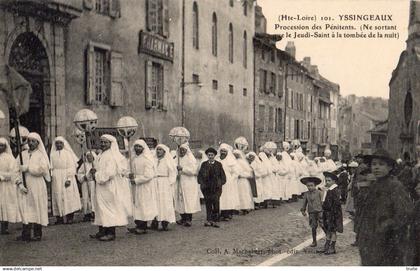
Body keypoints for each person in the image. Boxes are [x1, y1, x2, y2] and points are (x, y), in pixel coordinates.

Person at [357, 149, 414, 266]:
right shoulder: (374, 185)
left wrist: (386, 225)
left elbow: (405, 214)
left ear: (390, 167)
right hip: (371, 243)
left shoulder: (395, 187)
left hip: (388, 243)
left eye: (381, 164)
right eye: (374, 164)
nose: (376, 167)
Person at [89, 135, 128, 241]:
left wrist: (97, 175)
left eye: (105, 142)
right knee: (100, 207)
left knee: (109, 208)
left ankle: (111, 233)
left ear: (111, 144)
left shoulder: (112, 156)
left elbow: (109, 173)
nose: (102, 144)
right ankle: (102, 230)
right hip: (101, 186)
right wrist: (93, 172)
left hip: (109, 185)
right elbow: (97, 169)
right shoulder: (101, 155)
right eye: (101, 142)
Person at [17, 132, 50, 242]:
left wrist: (28, 168)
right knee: (25, 208)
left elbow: (42, 170)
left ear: (37, 143)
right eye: (29, 141)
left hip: (36, 185)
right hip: (25, 186)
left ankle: (37, 233)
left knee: (37, 207)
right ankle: (25, 233)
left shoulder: (41, 155)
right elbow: (15, 170)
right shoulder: (22, 155)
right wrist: (19, 184)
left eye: (33, 141)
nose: (30, 143)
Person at [127, 139, 158, 234]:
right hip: (135, 186)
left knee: (143, 205)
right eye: (136, 146)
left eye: (140, 146)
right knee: (136, 205)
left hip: (144, 186)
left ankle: (143, 226)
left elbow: (148, 175)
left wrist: (136, 180)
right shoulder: (133, 159)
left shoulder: (147, 159)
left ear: (143, 148)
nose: (137, 148)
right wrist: (129, 174)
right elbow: (128, 170)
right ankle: (138, 224)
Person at [50, 136, 81, 224]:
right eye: (57, 143)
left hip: (66, 176)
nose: (58, 145)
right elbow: (51, 167)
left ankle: (69, 217)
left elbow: (71, 167)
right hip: (56, 178)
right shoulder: (52, 154)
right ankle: (59, 217)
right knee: (57, 196)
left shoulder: (68, 154)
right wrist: (52, 175)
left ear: (64, 144)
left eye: (60, 143)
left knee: (68, 196)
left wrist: (68, 179)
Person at [197, 147, 226, 228]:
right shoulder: (204, 164)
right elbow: (200, 176)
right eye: (209, 155)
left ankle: (215, 220)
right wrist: (202, 184)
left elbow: (223, 176)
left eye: (212, 155)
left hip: (216, 188)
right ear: (207, 156)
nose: (210, 156)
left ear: (214, 155)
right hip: (206, 188)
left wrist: (220, 184)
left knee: (216, 202)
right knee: (208, 204)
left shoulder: (218, 165)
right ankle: (209, 220)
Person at [175, 143, 201, 227]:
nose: (181, 151)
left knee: (188, 200)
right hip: (179, 181)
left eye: (183, 150)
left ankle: (188, 219)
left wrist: (183, 169)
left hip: (188, 182)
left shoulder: (191, 159)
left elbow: (194, 171)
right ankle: (183, 217)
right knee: (180, 200)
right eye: (180, 150)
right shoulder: (176, 159)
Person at [318, 171, 343, 255]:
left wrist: (332, 212)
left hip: (333, 213)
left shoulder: (335, 190)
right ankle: (326, 245)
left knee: (332, 231)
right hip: (327, 213)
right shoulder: (328, 190)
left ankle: (332, 247)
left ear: (334, 181)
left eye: (329, 181)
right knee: (328, 230)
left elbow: (336, 203)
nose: (327, 182)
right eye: (326, 181)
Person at [153, 144, 177, 231]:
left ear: (164, 151)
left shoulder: (168, 161)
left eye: (160, 150)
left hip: (165, 183)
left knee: (165, 203)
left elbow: (173, 173)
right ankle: (155, 221)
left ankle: (165, 222)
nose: (158, 151)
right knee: (155, 201)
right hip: (155, 182)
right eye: (157, 149)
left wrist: (169, 183)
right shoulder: (153, 160)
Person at [0, 137, 21, 234]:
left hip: (6, 185)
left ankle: (5, 226)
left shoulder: (9, 158)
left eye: (2, 145)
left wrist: (2, 177)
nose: (0, 147)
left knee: (5, 204)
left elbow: (13, 172)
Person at [217, 143, 240, 220]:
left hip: (228, 181)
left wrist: (231, 179)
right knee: (221, 197)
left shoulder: (231, 160)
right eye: (222, 151)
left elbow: (236, 172)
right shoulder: (218, 159)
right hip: (219, 181)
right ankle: (222, 213)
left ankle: (227, 213)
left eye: (224, 151)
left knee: (228, 197)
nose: (223, 153)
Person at [300, 176, 323, 247]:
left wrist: (324, 210)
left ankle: (328, 239)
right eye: (308, 186)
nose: (310, 187)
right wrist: (303, 210)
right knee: (313, 227)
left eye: (311, 185)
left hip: (320, 212)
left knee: (323, 225)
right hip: (311, 212)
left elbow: (323, 202)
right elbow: (304, 203)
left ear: (315, 185)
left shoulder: (319, 192)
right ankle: (314, 241)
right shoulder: (306, 194)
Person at [77, 152, 97, 222]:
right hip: (85, 183)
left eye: (90, 156)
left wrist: (94, 174)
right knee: (86, 197)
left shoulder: (96, 164)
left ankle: (94, 212)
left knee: (93, 197)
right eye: (88, 156)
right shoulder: (84, 165)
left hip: (93, 183)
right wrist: (84, 177)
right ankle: (87, 213)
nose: (89, 158)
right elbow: (79, 173)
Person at [233, 149, 254, 214]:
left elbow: (249, 174)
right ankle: (236, 208)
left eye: (237, 155)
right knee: (236, 194)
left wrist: (241, 175)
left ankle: (245, 208)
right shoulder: (232, 162)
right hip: (235, 181)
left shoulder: (243, 162)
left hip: (242, 181)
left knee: (243, 194)